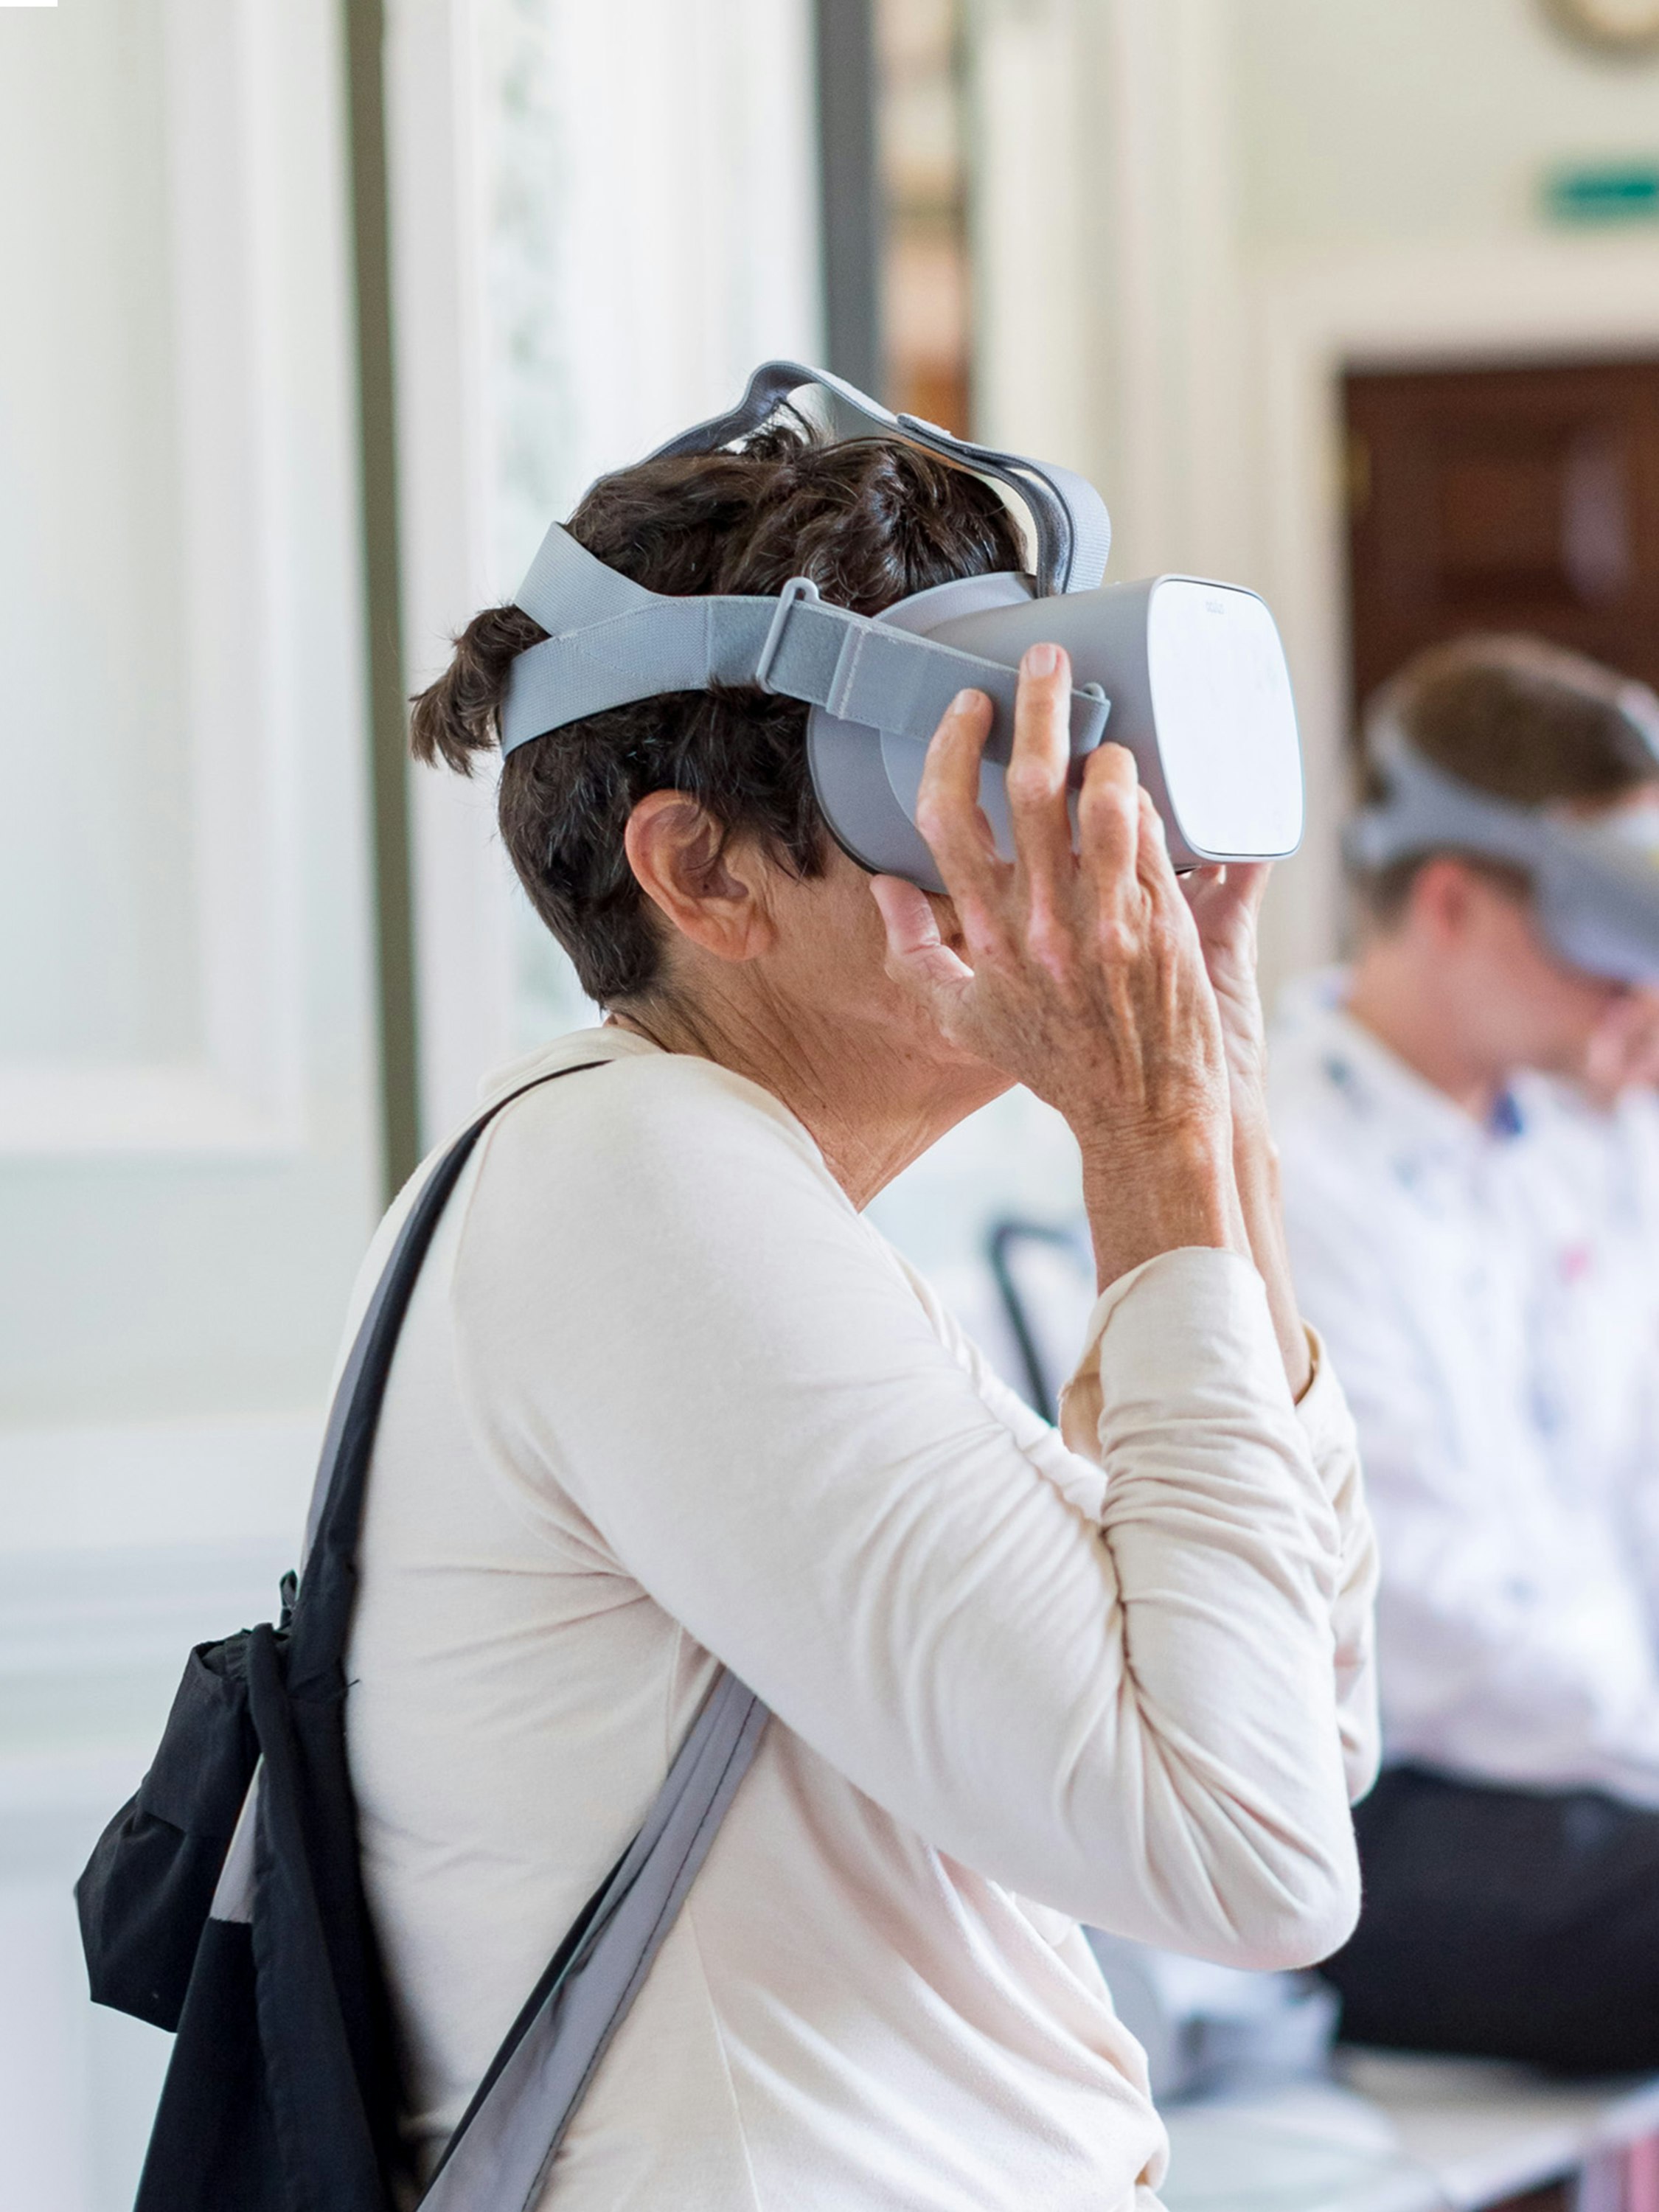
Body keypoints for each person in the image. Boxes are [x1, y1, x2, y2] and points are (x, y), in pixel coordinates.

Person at [344, 417, 1377, 2210]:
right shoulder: (638, 1188)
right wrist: (1148, 1138)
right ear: (704, 875)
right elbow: (1254, 1859)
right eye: (949, 778)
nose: (1040, 850)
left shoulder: (742, 1202)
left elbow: (1292, 1729)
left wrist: (1218, 1110)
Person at [1269, 633, 1659, 2070]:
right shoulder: (1289, 1176)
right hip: (1394, 1811)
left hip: (1595, 1768)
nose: (1639, 992)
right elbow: (1423, 1617)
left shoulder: (1569, 1128)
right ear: (1450, 901)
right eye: (1610, 937)